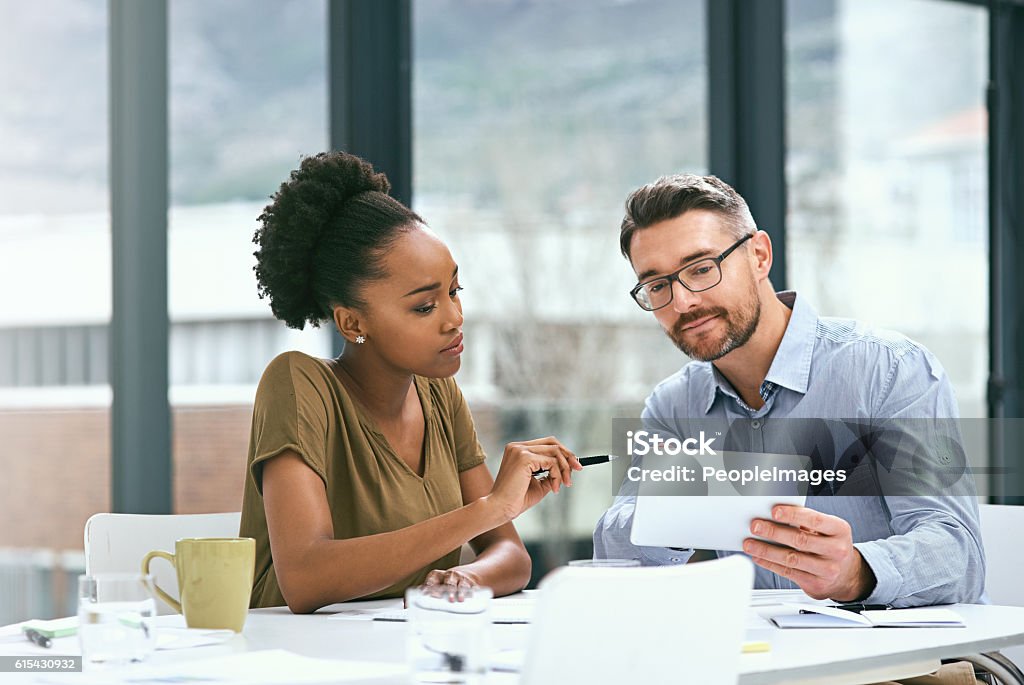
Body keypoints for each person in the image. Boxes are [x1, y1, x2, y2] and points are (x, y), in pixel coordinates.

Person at [594, 173, 984, 607]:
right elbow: (616, 561)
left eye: (701, 269)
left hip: (904, 663)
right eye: (657, 285)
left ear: (759, 255)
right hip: (767, 661)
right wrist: (669, 515)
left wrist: (854, 571)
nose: (682, 302)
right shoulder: (674, 407)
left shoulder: (888, 370)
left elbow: (959, 557)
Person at [239, 151, 581, 613]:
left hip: (404, 647)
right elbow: (305, 578)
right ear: (352, 321)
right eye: (424, 306)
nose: (455, 318)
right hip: (292, 656)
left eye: (454, 291)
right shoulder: (298, 385)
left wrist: (462, 577)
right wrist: (490, 508)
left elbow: (512, 558)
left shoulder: (439, 396)